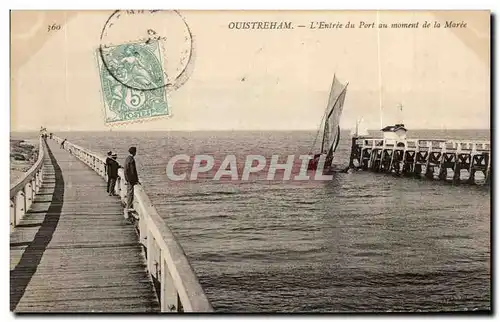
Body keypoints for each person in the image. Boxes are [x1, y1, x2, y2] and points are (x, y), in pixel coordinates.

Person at [124, 146, 139, 211]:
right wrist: (135, 180)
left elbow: (126, 170)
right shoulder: (131, 159)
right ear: (134, 152)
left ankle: (128, 205)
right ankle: (129, 207)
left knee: (128, 192)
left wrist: (126, 178)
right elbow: (133, 171)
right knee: (130, 193)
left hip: (127, 178)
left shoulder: (127, 158)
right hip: (131, 179)